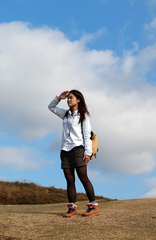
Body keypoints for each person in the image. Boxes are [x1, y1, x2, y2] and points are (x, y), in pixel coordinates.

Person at [48, 90, 99, 218]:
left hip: (78, 149)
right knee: (69, 180)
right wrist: (59, 97)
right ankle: (72, 208)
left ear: (78, 100)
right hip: (65, 150)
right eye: (68, 98)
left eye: (71, 98)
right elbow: (51, 107)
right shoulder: (65, 114)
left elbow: (87, 135)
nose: (68, 100)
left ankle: (93, 206)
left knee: (83, 178)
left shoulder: (83, 116)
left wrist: (88, 153)